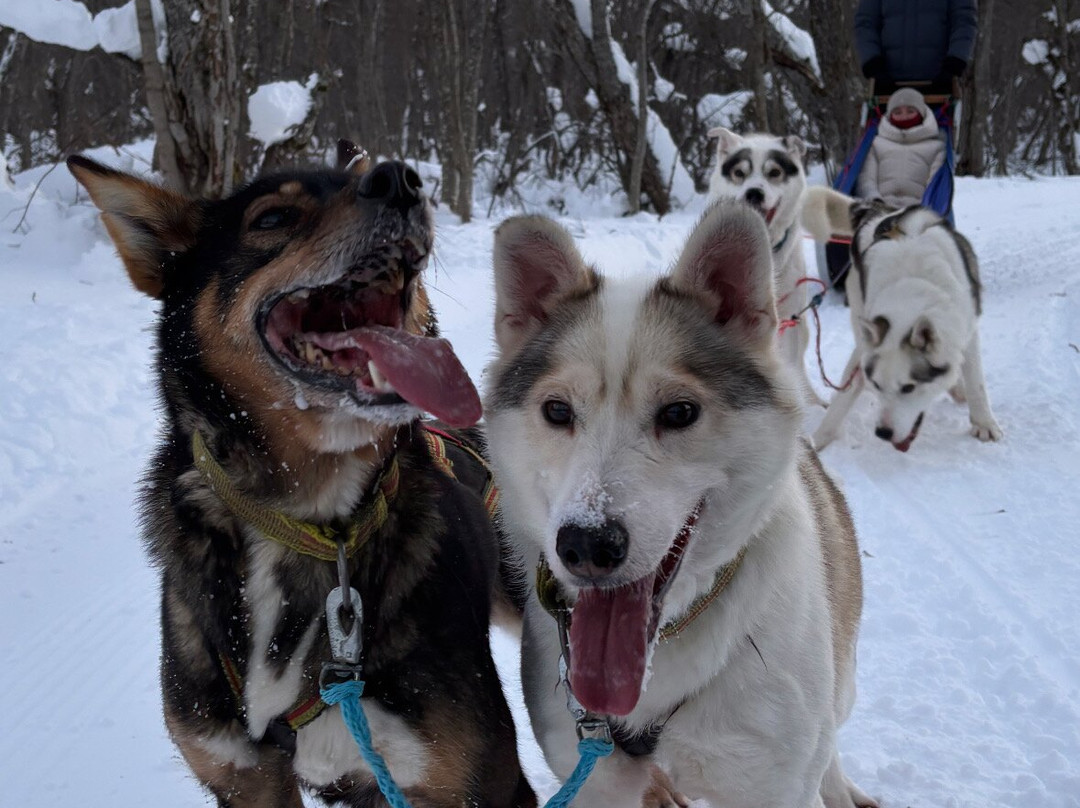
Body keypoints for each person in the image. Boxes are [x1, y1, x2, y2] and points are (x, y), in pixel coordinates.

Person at [854, 0, 978, 95]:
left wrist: (954, 63)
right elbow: (865, 24)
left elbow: (964, 22)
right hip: (887, 84)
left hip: (939, 82)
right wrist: (873, 64)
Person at [857, 88, 945, 209]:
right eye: (897, 112)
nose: (904, 117)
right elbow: (866, 179)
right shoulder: (876, 144)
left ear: (921, 113)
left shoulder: (937, 148)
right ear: (890, 115)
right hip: (879, 208)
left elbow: (934, 187)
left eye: (910, 111)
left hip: (919, 211)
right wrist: (874, 200)